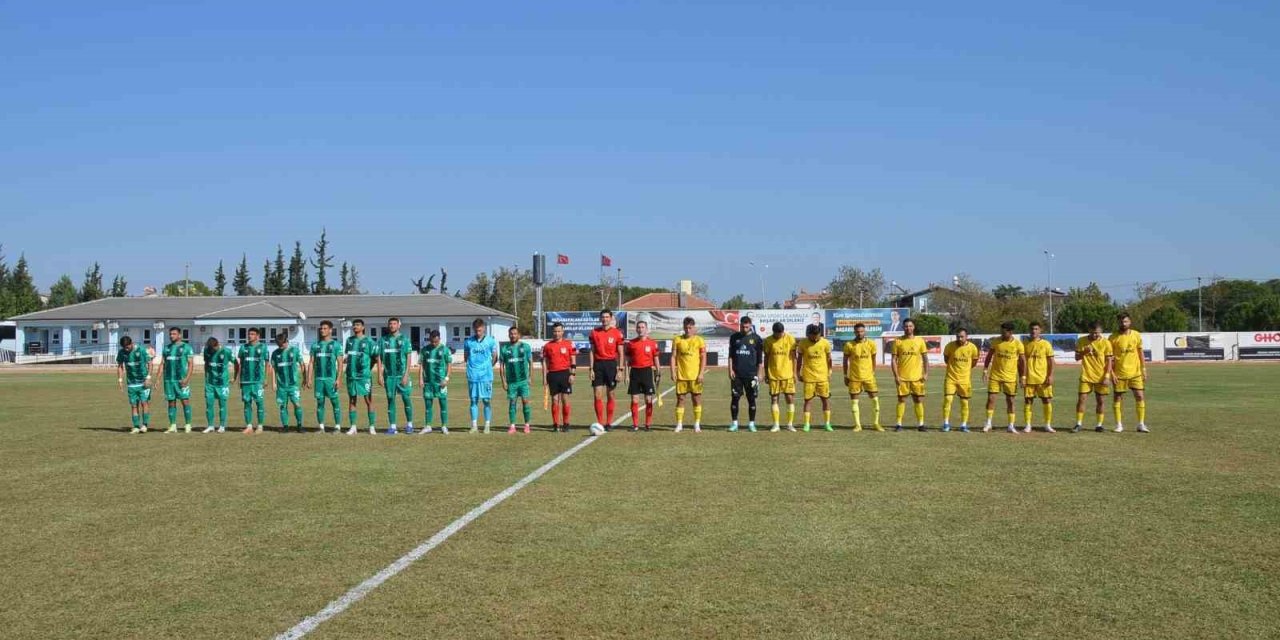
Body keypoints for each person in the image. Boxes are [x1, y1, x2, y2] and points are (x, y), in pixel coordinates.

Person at [982, 322, 1026, 434]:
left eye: (1004, 332)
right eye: (1001, 331)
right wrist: (985, 370)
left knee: (1010, 401)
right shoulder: (996, 341)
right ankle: (988, 423)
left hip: (1010, 378)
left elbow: (1022, 361)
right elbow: (989, 356)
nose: (1001, 333)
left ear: (1010, 332)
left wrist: (1023, 376)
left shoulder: (1018, 344)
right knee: (991, 399)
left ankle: (1011, 425)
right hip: (995, 376)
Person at [1110, 312, 1149, 433]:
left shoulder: (1136, 335)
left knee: (1140, 396)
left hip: (1135, 373)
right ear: (1118, 323)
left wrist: (1143, 369)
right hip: (1119, 373)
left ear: (1130, 322)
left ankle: (1141, 424)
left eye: (1126, 321)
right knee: (1118, 398)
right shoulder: (1113, 338)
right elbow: (1109, 358)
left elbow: (1140, 353)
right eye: (1121, 322)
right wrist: (1111, 373)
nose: (1123, 323)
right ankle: (1119, 425)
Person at [1074, 321, 1114, 433]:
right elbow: (1077, 357)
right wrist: (1084, 352)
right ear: (1089, 330)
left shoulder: (1106, 343)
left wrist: (1107, 376)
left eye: (1098, 333)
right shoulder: (1081, 341)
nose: (1096, 335)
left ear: (1101, 332)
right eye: (1093, 332)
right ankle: (1078, 424)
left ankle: (1099, 425)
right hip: (1086, 376)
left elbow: (1109, 361)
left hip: (1101, 377)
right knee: (1081, 399)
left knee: (1100, 401)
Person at [377, 317, 415, 434]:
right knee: (390, 399)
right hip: (389, 376)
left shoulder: (405, 339)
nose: (392, 325)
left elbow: (408, 358)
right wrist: (380, 375)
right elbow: (379, 358)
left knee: (406, 398)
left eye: (394, 323)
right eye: (390, 324)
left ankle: (409, 425)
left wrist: (406, 375)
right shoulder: (383, 340)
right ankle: (392, 427)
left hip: (401, 375)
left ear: (399, 325)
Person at [890, 319, 929, 431]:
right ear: (903, 327)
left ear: (914, 327)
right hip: (902, 378)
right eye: (906, 326)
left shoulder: (920, 341)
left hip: (917, 378)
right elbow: (893, 360)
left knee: (918, 400)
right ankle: (898, 424)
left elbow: (925, 359)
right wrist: (896, 376)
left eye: (910, 326)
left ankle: (921, 425)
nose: (908, 328)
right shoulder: (898, 341)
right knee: (901, 400)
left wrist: (926, 373)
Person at [589, 309, 625, 431]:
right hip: (598, 365)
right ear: (600, 319)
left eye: (607, 317)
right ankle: (600, 423)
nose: (604, 319)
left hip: (611, 365)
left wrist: (620, 370)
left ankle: (608, 423)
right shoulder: (594, 332)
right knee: (597, 395)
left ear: (611, 318)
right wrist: (591, 368)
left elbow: (620, 352)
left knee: (611, 394)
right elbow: (592, 351)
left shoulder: (617, 333)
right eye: (602, 317)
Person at [842, 322, 881, 432]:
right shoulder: (849, 345)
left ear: (865, 331)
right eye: (858, 331)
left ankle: (876, 423)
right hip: (854, 377)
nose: (860, 333)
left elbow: (873, 359)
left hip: (869, 377)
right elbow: (845, 361)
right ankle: (858, 425)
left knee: (875, 400)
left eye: (862, 331)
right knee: (854, 401)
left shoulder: (871, 344)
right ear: (854, 332)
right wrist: (845, 375)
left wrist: (873, 372)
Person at [670, 316, 707, 433]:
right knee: (680, 399)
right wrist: (672, 371)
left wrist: (701, 373)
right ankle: (679, 424)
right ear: (683, 327)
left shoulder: (699, 340)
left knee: (696, 399)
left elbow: (703, 358)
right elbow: (673, 356)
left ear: (694, 327)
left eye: (690, 327)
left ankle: (697, 424)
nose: (688, 330)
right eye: (686, 327)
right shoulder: (677, 339)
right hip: (681, 376)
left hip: (695, 376)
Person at [623, 319, 660, 432]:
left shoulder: (653, 343)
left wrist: (658, 373)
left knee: (648, 399)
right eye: (638, 327)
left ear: (646, 329)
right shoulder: (631, 343)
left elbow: (656, 359)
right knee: (634, 400)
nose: (640, 329)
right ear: (636, 329)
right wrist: (626, 375)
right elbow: (627, 361)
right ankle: (635, 425)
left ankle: (648, 424)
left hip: (647, 372)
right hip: (635, 372)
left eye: (642, 327)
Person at [727, 316, 763, 432]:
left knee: (751, 399)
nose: (744, 328)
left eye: (747, 326)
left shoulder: (757, 339)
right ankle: (734, 424)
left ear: (750, 325)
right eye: (742, 326)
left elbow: (759, 360)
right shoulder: (734, 337)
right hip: (737, 374)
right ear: (740, 325)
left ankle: (751, 424)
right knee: (735, 398)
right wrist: (730, 369)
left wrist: (759, 374)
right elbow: (731, 356)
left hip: (751, 374)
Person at [343, 319, 379, 435]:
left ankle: (372, 427)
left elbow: (376, 358)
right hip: (351, 375)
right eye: (354, 325)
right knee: (352, 400)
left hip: (364, 376)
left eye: (358, 325)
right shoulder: (349, 341)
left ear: (363, 327)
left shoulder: (369, 342)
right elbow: (348, 356)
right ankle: (353, 427)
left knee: (368, 400)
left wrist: (371, 369)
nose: (355, 327)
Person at [464, 318, 499, 433]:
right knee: (473, 400)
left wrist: (488, 366)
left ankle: (487, 425)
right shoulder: (468, 342)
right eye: (476, 331)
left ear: (484, 328)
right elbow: (466, 356)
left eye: (479, 330)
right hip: (473, 375)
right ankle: (474, 425)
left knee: (486, 400)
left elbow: (494, 356)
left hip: (486, 376)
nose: (478, 333)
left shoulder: (490, 341)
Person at [796, 323, 833, 432]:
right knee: (808, 400)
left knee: (825, 400)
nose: (816, 338)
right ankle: (806, 424)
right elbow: (799, 360)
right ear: (809, 334)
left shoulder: (825, 343)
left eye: (818, 335)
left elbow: (829, 358)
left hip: (822, 377)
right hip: (809, 377)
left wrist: (830, 371)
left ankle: (827, 424)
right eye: (813, 336)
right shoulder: (803, 343)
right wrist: (798, 373)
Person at [308, 320, 343, 434]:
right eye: (321, 328)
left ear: (330, 330)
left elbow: (340, 363)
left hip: (330, 379)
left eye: (325, 328)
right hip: (319, 379)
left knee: (335, 402)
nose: (322, 330)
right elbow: (311, 363)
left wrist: (338, 379)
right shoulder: (315, 345)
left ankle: (337, 426)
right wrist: (309, 378)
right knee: (320, 403)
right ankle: (321, 427)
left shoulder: (336, 345)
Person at [941, 328, 978, 432]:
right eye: (958, 336)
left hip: (964, 380)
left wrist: (965, 370)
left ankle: (963, 425)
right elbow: (946, 359)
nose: (959, 338)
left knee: (964, 403)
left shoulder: (972, 348)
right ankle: (946, 423)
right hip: (950, 378)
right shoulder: (950, 346)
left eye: (962, 336)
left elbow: (974, 362)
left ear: (967, 337)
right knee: (948, 400)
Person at [762, 322, 797, 432]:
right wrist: (766, 374)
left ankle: (790, 424)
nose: (780, 335)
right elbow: (766, 358)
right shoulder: (768, 341)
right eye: (778, 334)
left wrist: (795, 373)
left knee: (790, 398)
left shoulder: (790, 339)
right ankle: (776, 424)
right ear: (774, 332)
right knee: (774, 398)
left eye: (781, 333)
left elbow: (794, 358)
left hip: (787, 375)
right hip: (774, 374)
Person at [542, 322, 577, 432]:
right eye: (555, 331)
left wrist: (572, 374)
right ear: (553, 332)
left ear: (563, 331)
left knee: (565, 399)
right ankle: (556, 424)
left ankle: (566, 424)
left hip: (565, 374)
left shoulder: (569, 344)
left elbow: (573, 360)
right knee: (554, 400)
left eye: (559, 331)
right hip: (552, 374)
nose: (557, 333)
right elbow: (545, 363)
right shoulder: (547, 346)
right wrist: (544, 377)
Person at [116, 336, 154, 433]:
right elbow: (120, 366)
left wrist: (148, 377)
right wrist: (120, 380)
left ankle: (145, 425)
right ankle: (136, 426)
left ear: (131, 343)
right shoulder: (122, 353)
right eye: (124, 347)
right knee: (133, 405)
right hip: (131, 383)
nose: (126, 349)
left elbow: (150, 363)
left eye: (128, 347)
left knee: (144, 403)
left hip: (143, 382)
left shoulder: (141, 350)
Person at [1023, 322, 1056, 433]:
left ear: (1040, 330)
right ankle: (1028, 425)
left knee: (1047, 400)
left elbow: (1051, 361)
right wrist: (1022, 376)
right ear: (1029, 330)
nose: (1034, 331)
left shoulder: (1046, 344)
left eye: (1036, 329)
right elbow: (1021, 362)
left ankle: (1047, 425)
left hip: (1043, 378)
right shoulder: (1025, 344)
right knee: (1028, 401)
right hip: (1029, 378)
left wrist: (1050, 375)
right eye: (1032, 329)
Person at [160, 327, 194, 433]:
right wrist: (157, 379)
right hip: (169, 380)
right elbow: (163, 364)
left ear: (180, 335)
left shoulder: (187, 347)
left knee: (185, 401)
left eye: (174, 334)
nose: (171, 336)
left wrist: (187, 379)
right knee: (171, 402)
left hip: (181, 380)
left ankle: (188, 424)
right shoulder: (166, 348)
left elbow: (191, 364)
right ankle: (173, 425)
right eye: (170, 334)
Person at [269, 331, 304, 432]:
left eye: (281, 344)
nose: (280, 346)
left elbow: (302, 364)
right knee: (282, 406)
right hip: (281, 385)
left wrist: (304, 378)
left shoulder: (295, 350)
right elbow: (274, 369)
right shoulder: (275, 353)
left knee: (297, 404)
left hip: (293, 385)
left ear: (286, 341)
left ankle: (300, 425)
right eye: (278, 344)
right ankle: (285, 426)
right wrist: (274, 383)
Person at [500, 326, 533, 434]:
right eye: (511, 334)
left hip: (523, 381)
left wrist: (530, 377)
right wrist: (503, 381)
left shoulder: (526, 347)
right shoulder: (504, 348)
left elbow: (530, 362)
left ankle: (527, 425)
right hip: (511, 382)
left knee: (525, 401)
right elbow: (501, 366)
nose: (513, 335)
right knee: (512, 402)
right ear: (509, 335)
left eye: (515, 333)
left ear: (518, 335)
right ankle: (512, 425)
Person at [418, 330, 451, 434]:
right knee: (428, 404)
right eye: (432, 341)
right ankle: (428, 426)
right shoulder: (425, 350)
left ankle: (444, 426)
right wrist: (420, 379)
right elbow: (422, 365)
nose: (434, 344)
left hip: (440, 382)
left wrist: (446, 378)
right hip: (428, 381)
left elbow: (449, 365)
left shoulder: (445, 350)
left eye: (436, 341)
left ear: (439, 339)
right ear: (429, 339)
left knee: (443, 404)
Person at [237, 328, 270, 434]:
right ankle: (249, 426)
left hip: (258, 381)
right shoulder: (243, 347)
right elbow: (240, 364)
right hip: (246, 381)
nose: (249, 336)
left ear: (257, 336)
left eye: (252, 334)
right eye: (249, 334)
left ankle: (260, 426)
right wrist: (239, 378)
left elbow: (267, 364)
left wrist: (265, 378)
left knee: (259, 403)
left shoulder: (263, 347)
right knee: (247, 403)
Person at [202, 336, 237, 433]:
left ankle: (222, 426)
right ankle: (210, 426)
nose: (211, 351)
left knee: (222, 405)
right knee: (209, 405)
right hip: (210, 383)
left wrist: (235, 377)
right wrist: (206, 376)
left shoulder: (226, 351)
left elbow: (237, 363)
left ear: (217, 345)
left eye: (213, 348)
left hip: (222, 384)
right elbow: (206, 363)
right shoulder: (207, 351)